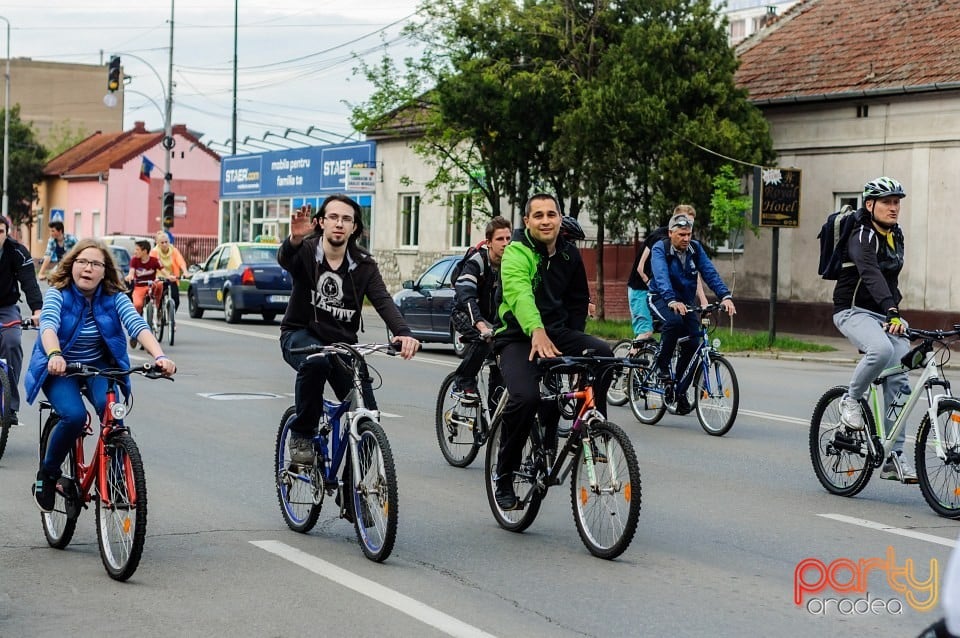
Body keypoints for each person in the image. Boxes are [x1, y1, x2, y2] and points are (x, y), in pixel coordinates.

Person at [25, 239, 176, 512]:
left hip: (99, 367)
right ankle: (47, 475)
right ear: (71, 266)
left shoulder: (115, 297)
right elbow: (48, 326)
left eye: (96, 264)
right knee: (74, 416)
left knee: (113, 416)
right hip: (61, 367)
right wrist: (55, 355)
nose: (88, 268)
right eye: (82, 262)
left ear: (105, 270)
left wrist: (160, 356)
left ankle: (115, 476)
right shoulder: (58, 294)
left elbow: (136, 324)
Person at [492, 193, 613, 511]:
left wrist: (576, 351)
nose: (546, 220)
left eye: (552, 214)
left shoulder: (569, 255)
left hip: (557, 333)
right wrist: (537, 331)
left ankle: (594, 424)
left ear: (560, 219)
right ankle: (503, 475)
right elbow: (519, 295)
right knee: (526, 398)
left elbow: (576, 302)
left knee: (603, 354)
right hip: (518, 336)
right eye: (539, 215)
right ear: (527, 221)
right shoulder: (516, 252)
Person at [279, 195, 419, 466]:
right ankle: (302, 434)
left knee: (365, 415)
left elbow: (383, 300)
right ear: (321, 222)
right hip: (300, 337)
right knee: (316, 363)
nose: (339, 224)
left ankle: (356, 497)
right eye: (333, 217)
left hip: (342, 344)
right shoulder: (306, 251)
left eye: (346, 219)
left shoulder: (363, 265)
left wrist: (404, 332)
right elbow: (286, 259)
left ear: (354, 227)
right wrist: (294, 240)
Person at [833, 176, 915, 482]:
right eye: (887, 202)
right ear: (870, 205)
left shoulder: (896, 235)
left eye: (897, 203)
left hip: (881, 313)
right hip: (851, 310)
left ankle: (894, 454)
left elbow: (890, 280)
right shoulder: (862, 234)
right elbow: (869, 273)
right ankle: (850, 400)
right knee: (880, 350)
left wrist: (896, 315)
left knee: (901, 370)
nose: (894, 208)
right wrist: (891, 310)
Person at [648, 212, 736, 415]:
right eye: (681, 234)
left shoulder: (695, 249)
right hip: (661, 297)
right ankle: (661, 366)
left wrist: (725, 296)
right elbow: (661, 276)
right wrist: (670, 299)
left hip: (685, 302)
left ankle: (677, 391)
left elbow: (709, 272)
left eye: (689, 234)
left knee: (694, 344)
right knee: (674, 323)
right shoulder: (660, 248)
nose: (686, 238)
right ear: (671, 233)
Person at [450, 216, 512, 404]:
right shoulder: (477, 262)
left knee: (504, 356)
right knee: (485, 339)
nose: (505, 243)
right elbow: (467, 295)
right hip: (465, 313)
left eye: (508, 238)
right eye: (500, 239)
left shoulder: (510, 265)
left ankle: (493, 415)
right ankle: (464, 379)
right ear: (489, 242)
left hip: (492, 320)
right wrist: (480, 325)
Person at [633, 204, 707, 342]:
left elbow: (692, 273)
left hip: (669, 292)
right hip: (642, 288)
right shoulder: (660, 238)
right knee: (646, 332)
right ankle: (633, 357)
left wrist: (702, 299)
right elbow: (640, 268)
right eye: (688, 222)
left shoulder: (686, 241)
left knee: (684, 332)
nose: (689, 228)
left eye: (692, 224)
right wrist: (654, 287)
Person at [0, 217, 43, 426]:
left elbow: (29, 282)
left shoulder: (16, 251)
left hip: (6, 308)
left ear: (7, 233)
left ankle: (9, 406)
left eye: (0, 231)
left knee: (12, 342)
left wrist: (37, 310)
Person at [125, 240, 166, 347]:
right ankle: (134, 333)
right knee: (137, 305)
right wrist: (129, 277)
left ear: (145, 251)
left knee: (160, 284)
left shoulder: (154, 260)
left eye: (137, 249)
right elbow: (131, 272)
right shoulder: (134, 260)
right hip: (139, 286)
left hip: (151, 285)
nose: (135, 252)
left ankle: (156, 305)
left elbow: (163, 270)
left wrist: (169, 276)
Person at [150, 230, 187, 311]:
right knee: (158, 298)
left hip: (172, 277)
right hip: (158, 278)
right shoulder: (154, 252)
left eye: (166, 242)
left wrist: (185, 271)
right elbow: (152, 265)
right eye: (162, 242)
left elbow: (180, 261)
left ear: (169, 241)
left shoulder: (174, 250)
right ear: (158, 243)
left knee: (176, 300)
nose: (164, 244)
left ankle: (170, 317)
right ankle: (159, 312)